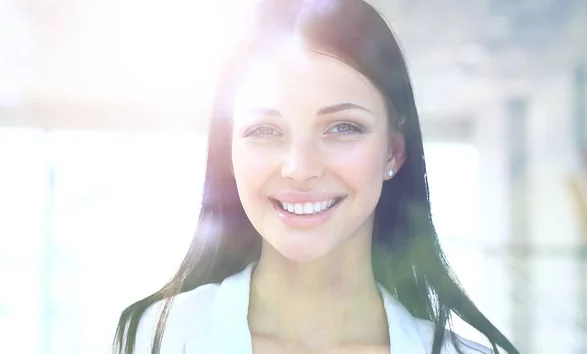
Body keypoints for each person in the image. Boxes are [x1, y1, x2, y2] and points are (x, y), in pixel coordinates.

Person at [114, 0, 519, 353]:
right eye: (265, 130)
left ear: (394, 151)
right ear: (229, 153)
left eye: (342, 127)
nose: (300, 168)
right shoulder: (154, 339)